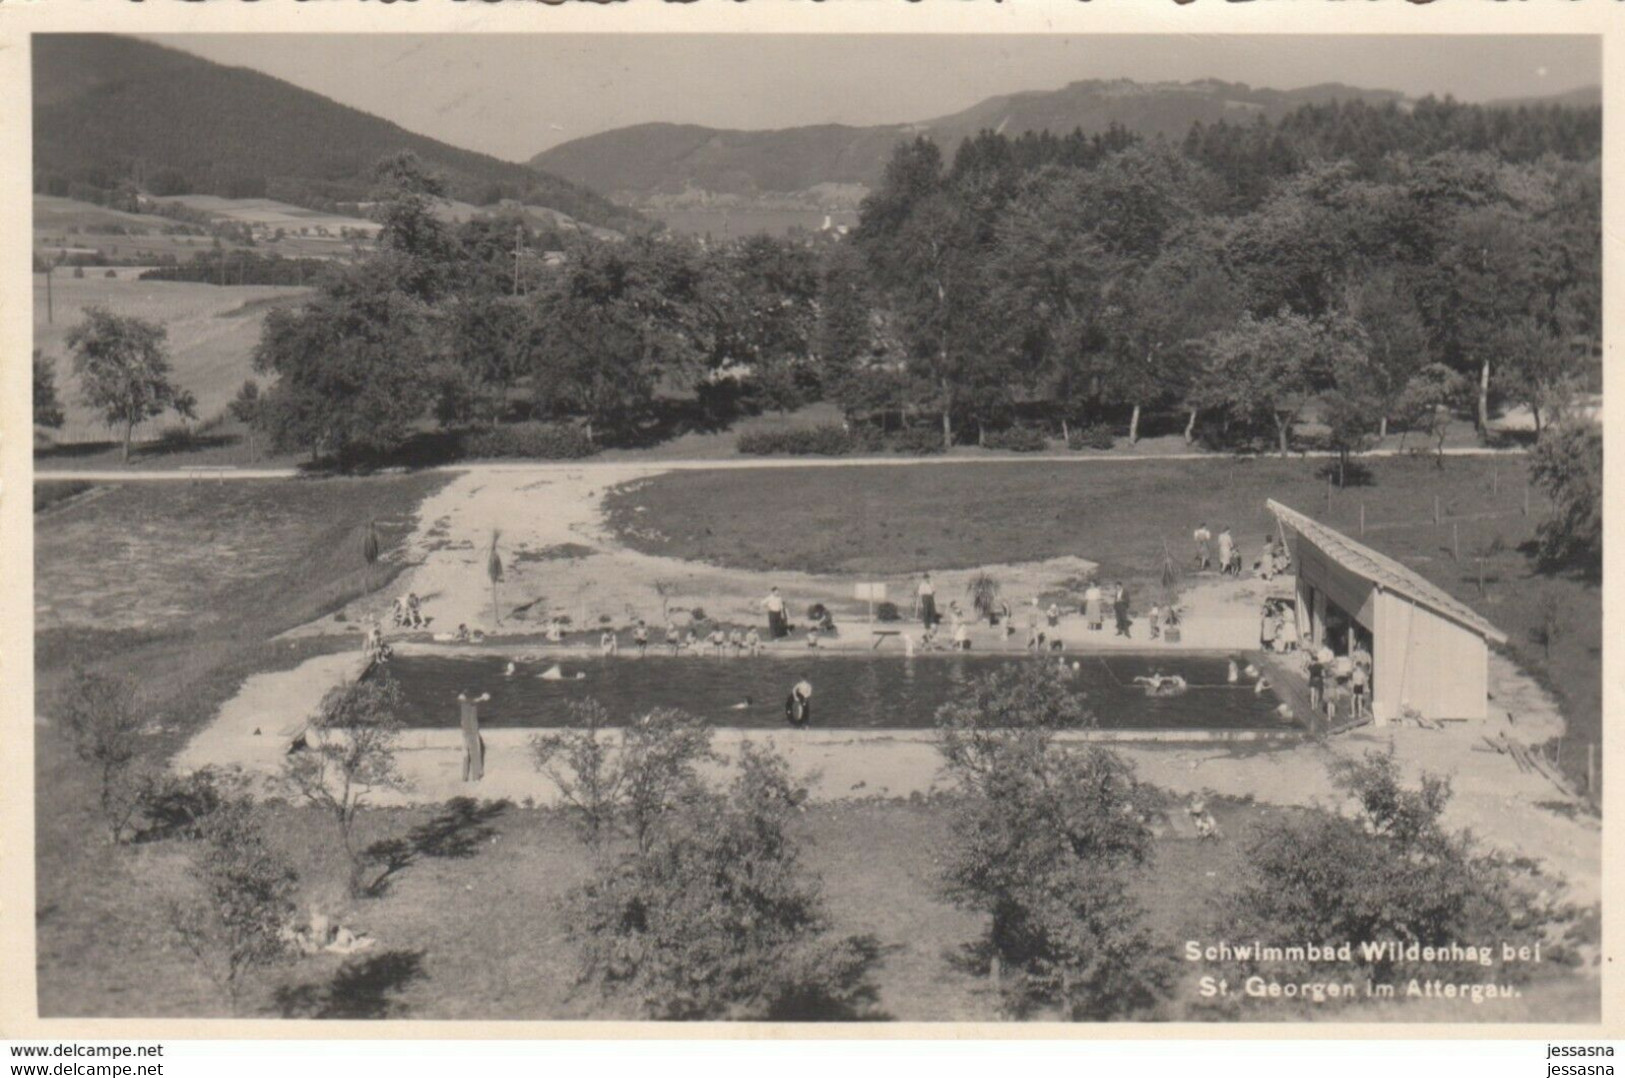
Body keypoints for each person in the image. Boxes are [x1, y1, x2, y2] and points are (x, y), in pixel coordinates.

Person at [457, 691, 490, 783]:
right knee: (475, 753)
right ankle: (476, 777)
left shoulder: (463, 705)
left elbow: (469, 701)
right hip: (472, 732)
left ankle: (464, 777)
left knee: (465, 754)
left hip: (465, 732)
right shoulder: (471, 705)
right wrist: (482, 698)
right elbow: (473, 702)